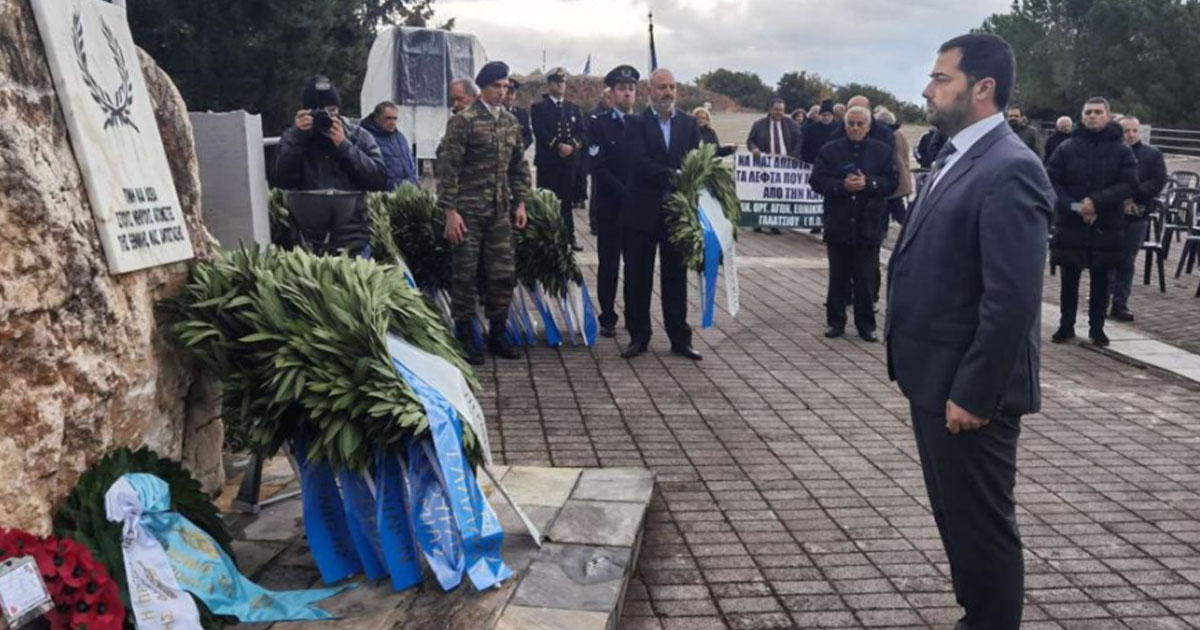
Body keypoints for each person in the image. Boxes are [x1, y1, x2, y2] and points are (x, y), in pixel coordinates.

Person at [887, 33, 1053, 630]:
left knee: (983, 532)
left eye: (940, 79)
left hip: (969, 393)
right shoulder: (957, 153)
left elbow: (1011, 299)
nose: (927, 90)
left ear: (983, 88)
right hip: (934, 379)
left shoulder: (1011, 168)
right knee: (959, 524)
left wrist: (974, 393)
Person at [437, 61, 532, 365]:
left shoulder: (510, 123)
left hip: (500, 212)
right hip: (468, 211)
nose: (502, 92)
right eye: (496, 87)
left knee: (502, 274)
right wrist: (450, 212)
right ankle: (465, 335)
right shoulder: (463, 121)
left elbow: (519, 166)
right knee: (464, 274)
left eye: (506, 87)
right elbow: (447, 169)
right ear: (483, 88)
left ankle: (498, 334)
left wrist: (521, 203)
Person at [620, 68, 702, 361]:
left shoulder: (690, 125)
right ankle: (639, 337)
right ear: (650, 91)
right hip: (641, 212)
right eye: (662, 87)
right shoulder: (635, 123)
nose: (668, 92)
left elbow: (697, 160)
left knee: (676, 278)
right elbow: (638, 162)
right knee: (638, 277)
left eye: (672, 87)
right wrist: (675, 175)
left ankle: (680, 338)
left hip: (675, 215)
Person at [1047, 97, 1137, 347]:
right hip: (1072, 223)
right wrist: (1077, 207)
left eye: (1098, 112)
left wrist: (1096, 202)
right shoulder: (1066, 148)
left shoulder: (1121, 150)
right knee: (1069, 280)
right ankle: (1066, 325)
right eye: (1088, 112)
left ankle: (1097, 328)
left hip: (1105, 223)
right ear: (1081, 116)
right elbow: (1053, 182)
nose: (1092, 116)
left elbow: (1129, 184)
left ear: (1107, 116)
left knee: (1101, 280)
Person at [810, 106, 898, 341]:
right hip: (838, 222)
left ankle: (866, 325)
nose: (855, 128)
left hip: (868, 223)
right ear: (845, 125)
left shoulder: (882, 151)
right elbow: (817, 180)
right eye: (851, 124)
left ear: (868, 126)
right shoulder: (830, 150)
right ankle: (835, 321)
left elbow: (892, 181)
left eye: (860, 124)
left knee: (865, 278)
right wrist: (841, 186)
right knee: (838, 277)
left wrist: (869, 183)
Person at [275, 75, 387, 258]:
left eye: (331, 110)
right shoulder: (294, 138)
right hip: (307, 242)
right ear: (304, 112)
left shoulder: (358, 136)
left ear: (339, 110)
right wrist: (298, 137)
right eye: (317, 112)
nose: (325, 117)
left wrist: (344, 146)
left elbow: (378, 179)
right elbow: (282, 179)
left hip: (354, 240)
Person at [588, 65, 640, 338]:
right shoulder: (599, 124)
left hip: (638, 211)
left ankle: (634, 316)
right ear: (612, 92)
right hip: (610, 207)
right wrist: (626, 192)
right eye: (622, 89)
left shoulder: (644, 124)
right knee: (609, 265)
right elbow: (598, 166)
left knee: (635, 266)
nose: (627, 93)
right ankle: (607, 316)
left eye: (631, 89)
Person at [1110, 116, 1167, 322]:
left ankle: (1120, 303)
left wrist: (1134, 195)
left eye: (1135, 130)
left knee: (1127, 260)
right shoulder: (1111, 152)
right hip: (1112, 212)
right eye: (1127, 131)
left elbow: (1158, 180)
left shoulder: (1152, 155)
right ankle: (1103, 296)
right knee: (1107, 257)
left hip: (1137, 214)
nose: (1132, 134)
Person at [531, 67, 587, 251]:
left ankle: (569, 236)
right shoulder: (539, 108)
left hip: (568, 163)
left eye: (562, 82)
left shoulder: (573, 108)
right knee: (547, 202)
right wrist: (558, 146)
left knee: (566, 202)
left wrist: (572, 145)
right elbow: (540, 131)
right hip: (549, 163)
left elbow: (582, 132)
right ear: (550, 84)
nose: (560, 85)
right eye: (556, 82)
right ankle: (546, 237)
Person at [360, 101, 418, 191]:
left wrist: (414, 183)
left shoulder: (400, 137)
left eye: (395, 119)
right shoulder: (366, 138)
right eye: (388, 118)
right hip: (382, 195)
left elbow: (411, 164)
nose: (392, 122)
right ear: (377, 118)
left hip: (406, 194)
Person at [876, 109, 914, 224]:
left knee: (895, 208)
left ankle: (909, 228)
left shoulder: (887, 135)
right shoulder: (900, 134)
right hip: (902, 174)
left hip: (894, 176)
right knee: (892, 206)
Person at [830, 95, 895, 147]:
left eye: (860, 110)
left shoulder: (884, 133)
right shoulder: (838, 131)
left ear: (868, 111)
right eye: (853, 110)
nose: (856, 113)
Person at [800, 100, 838, 164]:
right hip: (813, 162)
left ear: (833, 116)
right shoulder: (810, 129)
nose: (826, 117)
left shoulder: (838, 129)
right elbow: (804, 147)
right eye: (824, 115)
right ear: (819, 115)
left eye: (829, 115)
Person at [504, 78, 533, 151]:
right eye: (507, 93)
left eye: (512, 93)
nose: (509, 97)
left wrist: (520, 148)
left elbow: (528, 136)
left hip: (517, 157)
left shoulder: (522, 114)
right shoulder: (495, 112)